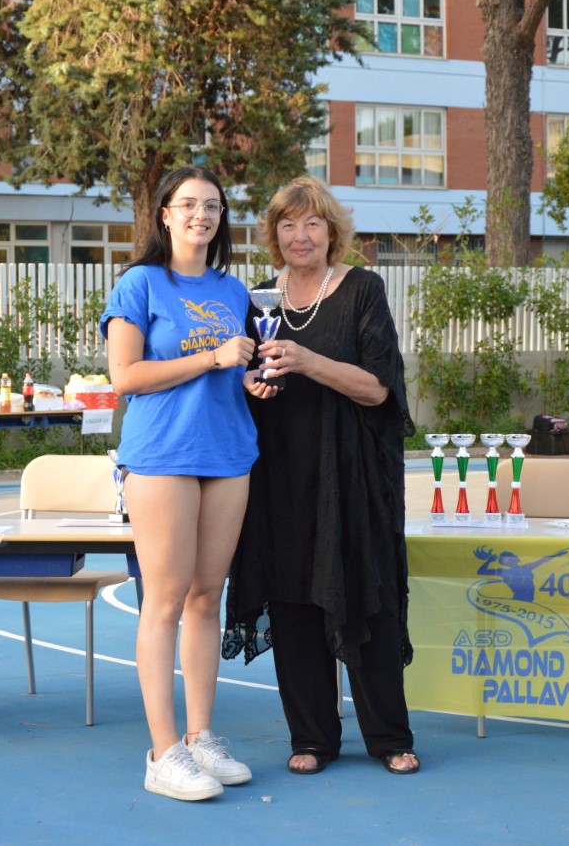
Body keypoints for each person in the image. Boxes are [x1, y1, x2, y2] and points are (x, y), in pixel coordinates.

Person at [223, 175, 419, 777]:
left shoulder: (362, 289)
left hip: (353, 476)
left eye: (312, 223)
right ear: (274, 235)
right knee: (292, 602)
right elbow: (244, 378)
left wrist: (308, 361)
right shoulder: (258, 298)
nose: (300, 235)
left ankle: (389, 737)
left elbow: (378, 389)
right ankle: (311, 737)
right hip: (281, 476)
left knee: (368, 601)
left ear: (332, 232)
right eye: (287, 224)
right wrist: (250, 384)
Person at [100, 166, 257, 801]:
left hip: (229, 452)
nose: (201, 215)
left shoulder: (233, 290)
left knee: (206, 597)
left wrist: (252, 380)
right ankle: (162, 753)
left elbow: (232, 373)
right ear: (164, 214)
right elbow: (125, 376)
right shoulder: (139, 283)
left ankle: (200, 738)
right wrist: (213, 357)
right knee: (164, 600)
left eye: (212, 206)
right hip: (163, 453)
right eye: (188, 204)